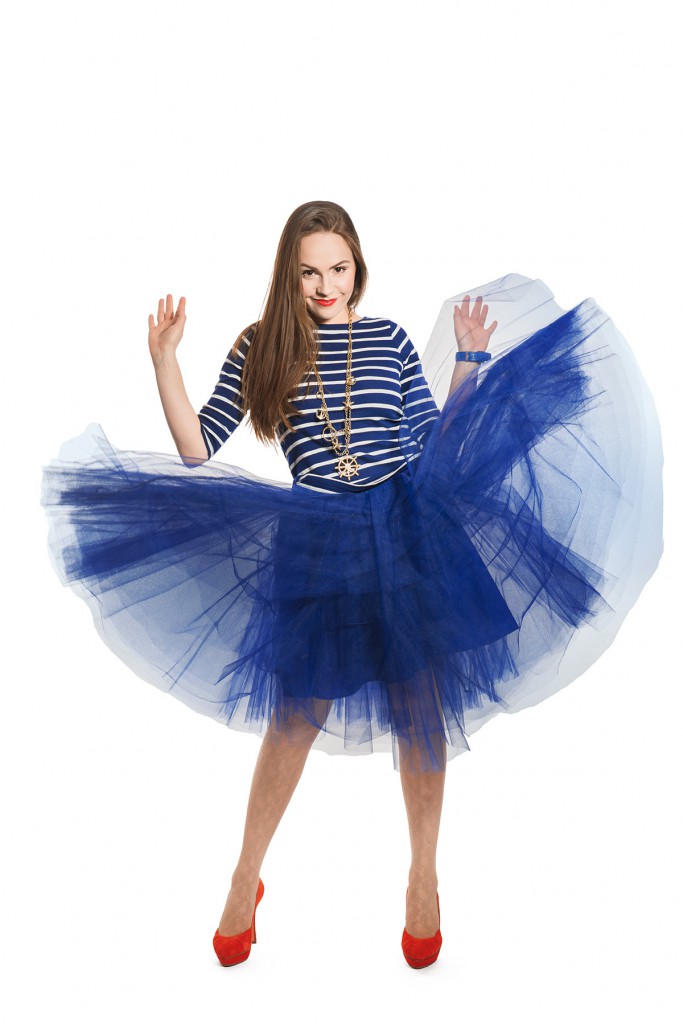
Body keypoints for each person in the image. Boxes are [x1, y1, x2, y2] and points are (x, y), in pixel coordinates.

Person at [41, 199, 662, 970]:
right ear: (288, 275)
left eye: (338, 268)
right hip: (316, 536)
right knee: (294, 717)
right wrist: (164, 360)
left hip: (403, 526)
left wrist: (468, 361)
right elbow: (198, 449)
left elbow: (433, 445)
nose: (326, 285)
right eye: (309, 272)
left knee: (419, 706)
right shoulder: (262, 346)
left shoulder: (388, 339)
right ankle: (243, 878)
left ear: (356, 266)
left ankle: (423, 879)